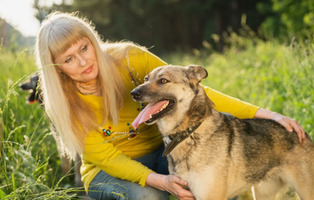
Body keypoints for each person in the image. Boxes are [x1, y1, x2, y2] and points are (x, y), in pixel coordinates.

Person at [35, 11, 306, 200]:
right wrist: (162, 182)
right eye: (69, 59)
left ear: (93, 42)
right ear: (57, 69)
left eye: (84, 48)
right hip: (108, 170)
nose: (83, 62)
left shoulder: (129, 58)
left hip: (161, 150)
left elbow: (193, 87)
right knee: (147, 195)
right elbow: (110, 160)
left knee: (217, 181)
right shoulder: (63, 105)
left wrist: (264, 113)